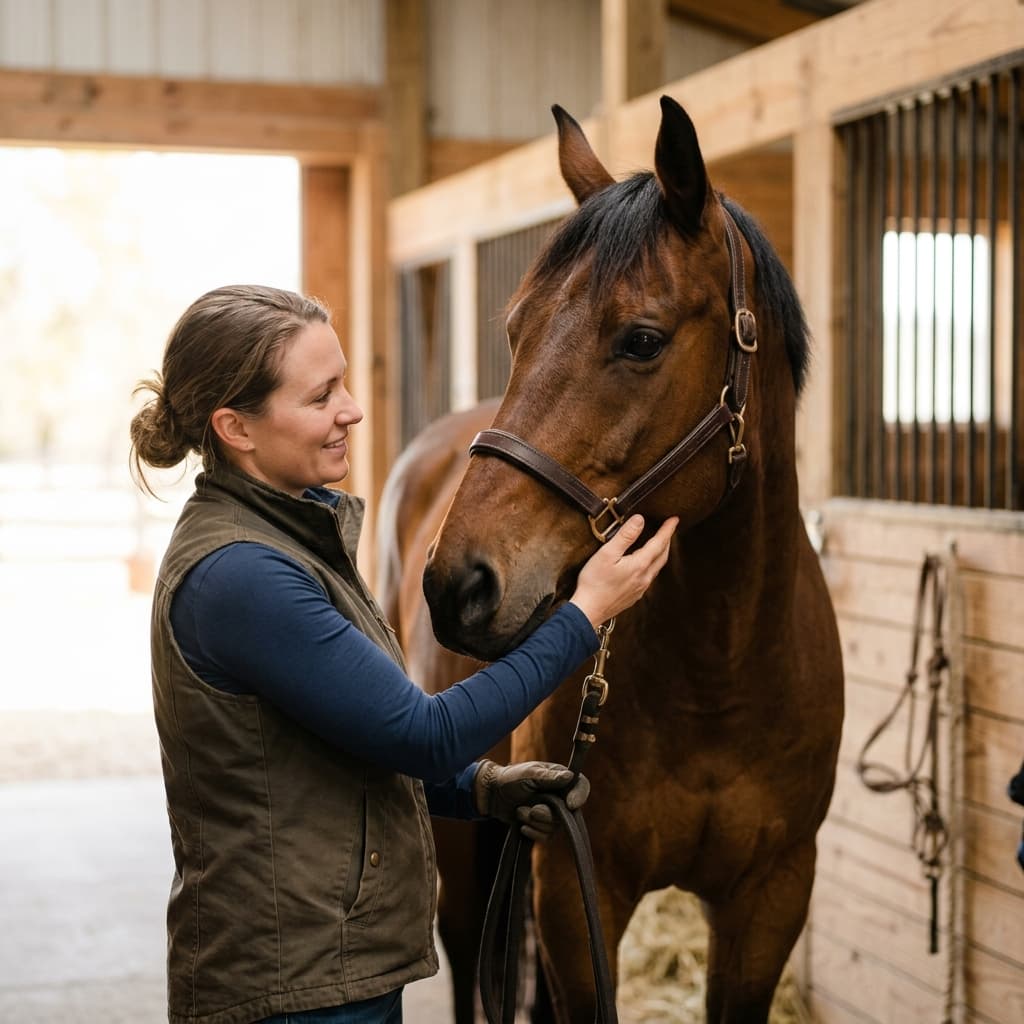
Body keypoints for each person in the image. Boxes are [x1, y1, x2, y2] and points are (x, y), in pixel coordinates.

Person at [129, 284, 677, 1024]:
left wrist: (482, 789)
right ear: (237, 428)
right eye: (321, 396)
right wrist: (585, 614)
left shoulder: (289, 541)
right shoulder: (244, 575)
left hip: (328, 972)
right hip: (295, 992)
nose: (352, 410)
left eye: (344, 383)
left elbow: (355, 739)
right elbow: (424, 734)